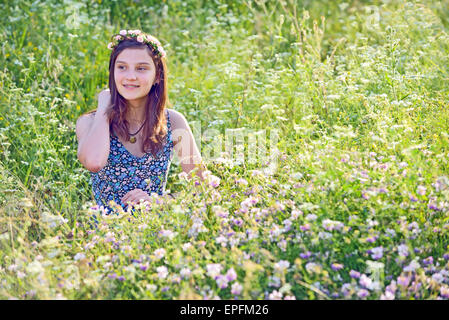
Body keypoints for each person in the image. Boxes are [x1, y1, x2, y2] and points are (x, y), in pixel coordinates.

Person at [76, 29, 204, 213]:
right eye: (122, 67)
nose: (130, 76)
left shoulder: (172, 121)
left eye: (141, 68)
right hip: (106, 234)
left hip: (155, 231)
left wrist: (160, 201)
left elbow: (202, 187)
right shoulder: (89, 122)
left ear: (157, 75)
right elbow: (94, 162)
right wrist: (105, 104)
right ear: (112, 72)